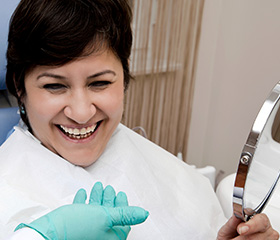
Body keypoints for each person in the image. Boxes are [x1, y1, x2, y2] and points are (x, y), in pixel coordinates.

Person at [0, 0, 278, 239]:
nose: (82, 112)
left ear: (124, 78)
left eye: (99, 83)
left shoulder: (139, 151)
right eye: (55, 86)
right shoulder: (9, 188)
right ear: (19, 86)